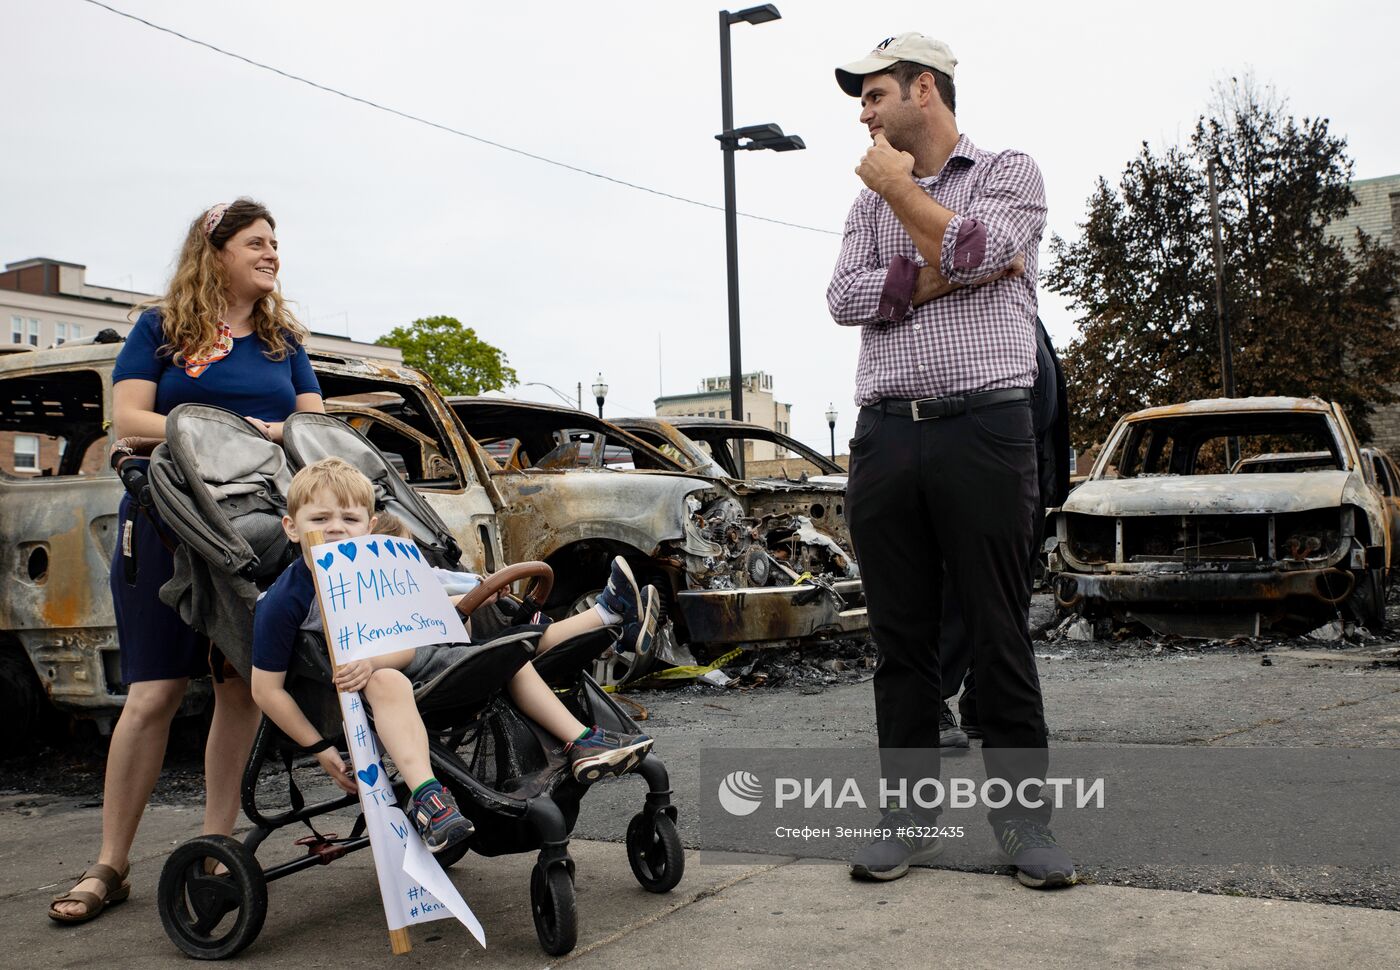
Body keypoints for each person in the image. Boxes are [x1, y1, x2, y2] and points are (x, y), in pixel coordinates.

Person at [827, 33, 1075, 887]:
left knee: (999, 630)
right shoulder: (864, 205)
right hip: (888, 433)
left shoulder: (1008, 172)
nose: (862, 114)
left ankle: (1025, 830)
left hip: (987, 428)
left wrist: (905, 199)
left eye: (873, 95)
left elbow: (980, 249)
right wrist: (933, 270)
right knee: (901, 642)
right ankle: (908, 816)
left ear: (922, 90)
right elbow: (843, 297)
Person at [50, 199, 326, 923]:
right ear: (219, 251)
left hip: (253, 530)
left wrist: (275, 435)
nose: (272, 253)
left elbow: (314, 426)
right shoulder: (161, 329)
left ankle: (215, 846)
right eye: (257, 242)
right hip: (167, 527)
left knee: (238, 686)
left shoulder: (281, 338)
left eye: (276, 243)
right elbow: (132, 419)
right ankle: (110, 865)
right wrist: (245, 430)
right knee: (153, 695)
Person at [250, 458, 656, 852]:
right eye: (319, 520)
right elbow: (266, 690)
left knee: (503, 653)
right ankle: (429, 797)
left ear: (370, 527)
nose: (335, 528)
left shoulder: (382, 565)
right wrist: (320, 749)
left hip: (426, 655)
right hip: (367, 688)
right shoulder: (284, 600)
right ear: (291, 527)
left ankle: (581, 741)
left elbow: (427, 609)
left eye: (349, 520)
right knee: (387, 678)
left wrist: (475, 598)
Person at [941, 317, 1070, 744]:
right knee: (961, 595)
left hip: (1024, 475)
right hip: (984, 467)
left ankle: (982, 702)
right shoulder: (978, 318)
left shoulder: (1031, 321)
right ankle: (935, 701)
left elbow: (1049, 415)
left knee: (1011, 600)